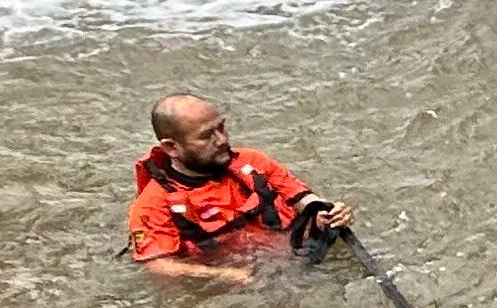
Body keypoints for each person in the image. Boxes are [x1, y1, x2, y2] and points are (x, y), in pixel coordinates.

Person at [127, 95, 348, 281]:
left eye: (221, 127)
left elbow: (302, 198)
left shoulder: (253, 162)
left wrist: (328, 212)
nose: (222, 140)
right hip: (242, 278)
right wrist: (223, 275)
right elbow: (159, 266)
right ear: (171, 147)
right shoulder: (152, 205)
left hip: (300, 258)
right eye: (207, 136)